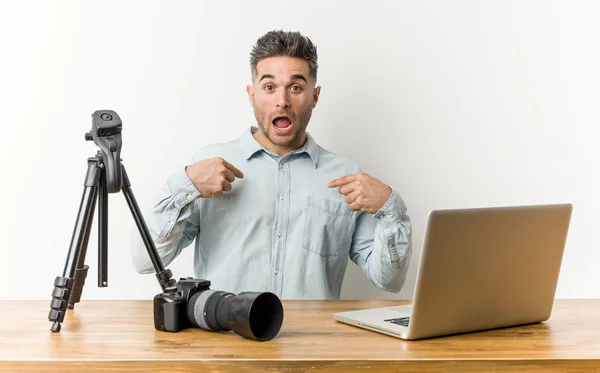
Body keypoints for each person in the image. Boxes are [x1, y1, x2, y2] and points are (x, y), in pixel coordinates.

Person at [131, 30, 412, 300]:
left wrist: (391, 207)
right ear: (252, 94)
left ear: (314, 96)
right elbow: (145, 260)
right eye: (269, 87)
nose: (282, 101)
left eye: (296, 87)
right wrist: (185, 184)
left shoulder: (346, 177)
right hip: (226, 341)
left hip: (311, 345)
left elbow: (389, 281)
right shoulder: (207, 167)